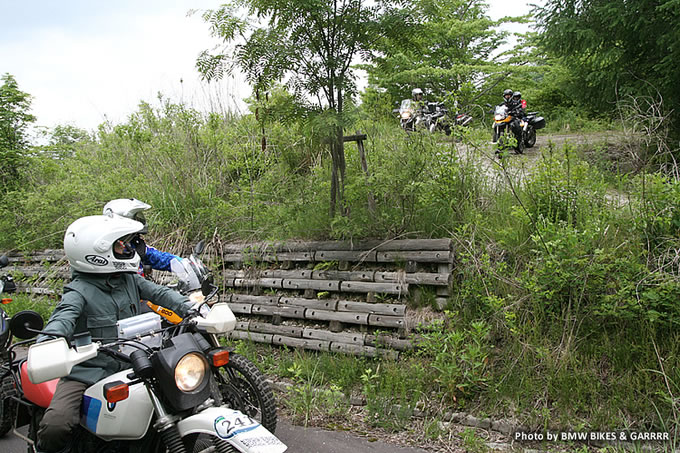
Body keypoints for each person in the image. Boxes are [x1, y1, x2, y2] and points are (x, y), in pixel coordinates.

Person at [36, 214, 193, 453]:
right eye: (119, 243)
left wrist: (194, 309)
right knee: (57, 423)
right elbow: (62, 319)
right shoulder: (78, 291)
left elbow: (161, 294)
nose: (126, 247)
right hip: (88, 371)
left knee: (182, 399)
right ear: (95, 253)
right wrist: (48, 344)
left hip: (135, 363)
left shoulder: (129, 279)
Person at [103, 198, 179, 274]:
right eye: (136, 218)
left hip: (139, 285)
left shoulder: (135, 244)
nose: (139, 220)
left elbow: (157, 257)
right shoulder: (104, 249)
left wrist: (182, 263)